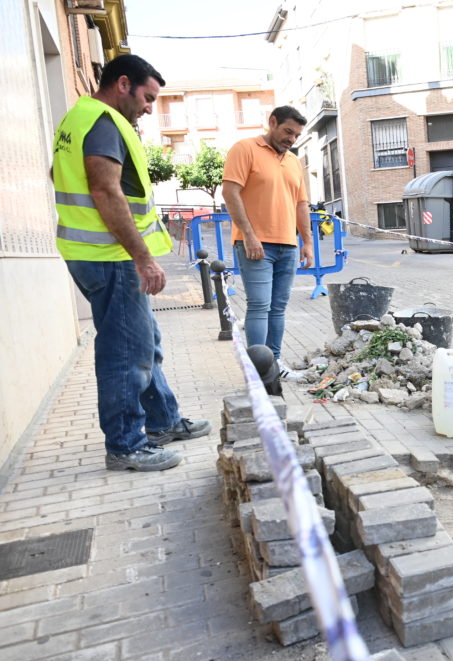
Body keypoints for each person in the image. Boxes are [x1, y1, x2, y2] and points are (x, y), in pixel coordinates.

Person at [52, 54, 210, 472]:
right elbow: (105, 191)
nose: (149, 107)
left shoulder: (79, 118)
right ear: (123, 84)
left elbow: (58, 174)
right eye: (148, 97)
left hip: (96, 254)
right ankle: (126, 445)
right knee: (127, 353)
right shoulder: (103, 122)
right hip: (111, 257)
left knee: (145, 343)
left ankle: (163, 421)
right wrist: (144, 258)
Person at [222, 106, 314, 374]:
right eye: (287, 131)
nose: (291, 139)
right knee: (260, 305)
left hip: (287, 244)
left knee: (278, 308)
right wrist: (249, 235)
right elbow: (230, 193)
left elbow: (301, 204)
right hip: (256, 245)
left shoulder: (294, 161)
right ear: (272, 122)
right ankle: (257, 368)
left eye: (296, 135)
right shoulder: (245, 149)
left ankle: (274, 363)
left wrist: (306, 241)